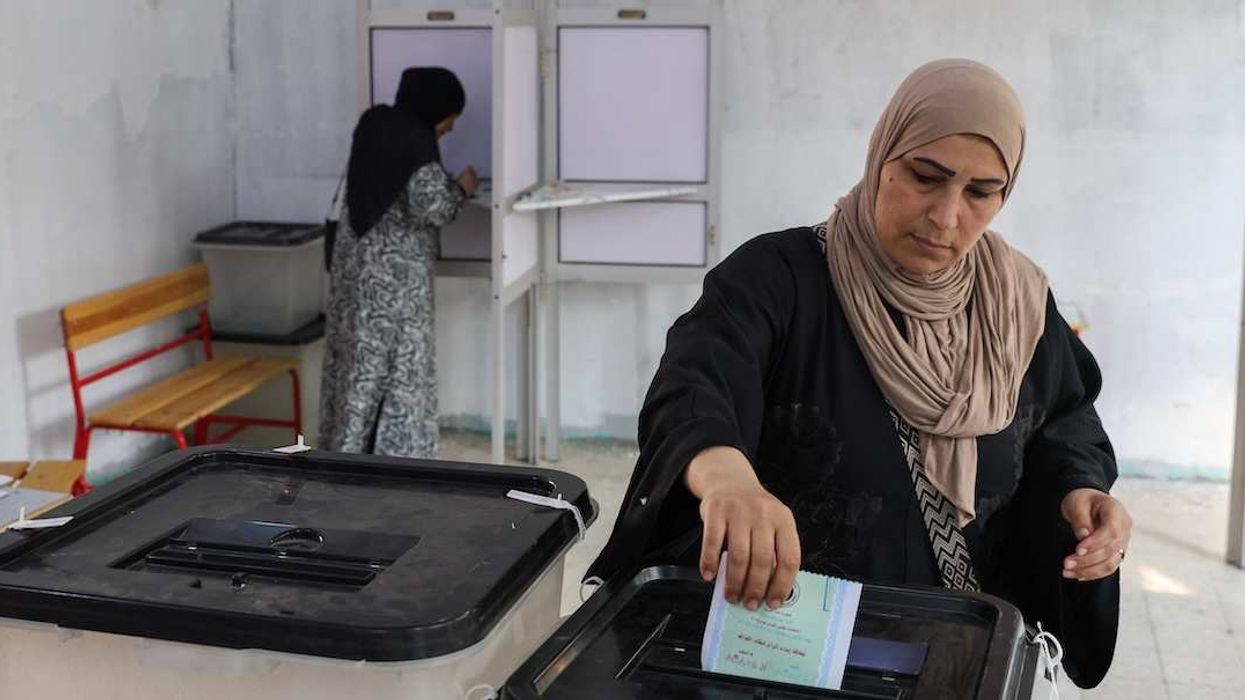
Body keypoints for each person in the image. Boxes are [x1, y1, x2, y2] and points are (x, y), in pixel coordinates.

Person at [585, 59, 1131, 687]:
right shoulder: (779, 279)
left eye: (981, 192)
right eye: (925, 176)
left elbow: (1065, 419)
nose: (946, 215)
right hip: (789, 651)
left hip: (956, 649)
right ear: (882, 156)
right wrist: (728, 479)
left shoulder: (1018, 304)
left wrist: (1080, 492)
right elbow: (693, 385)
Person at [320, 67, 478, 457]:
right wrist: (462, 189)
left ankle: (344, 456)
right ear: (435, 107)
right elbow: (432, 206)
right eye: (450, 118)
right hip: (393, 286)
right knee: (394, 372)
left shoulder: (374, 124)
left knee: (356, 371)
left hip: (353, 273)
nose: (450, 129)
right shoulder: (414, 140)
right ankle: (389, 464)